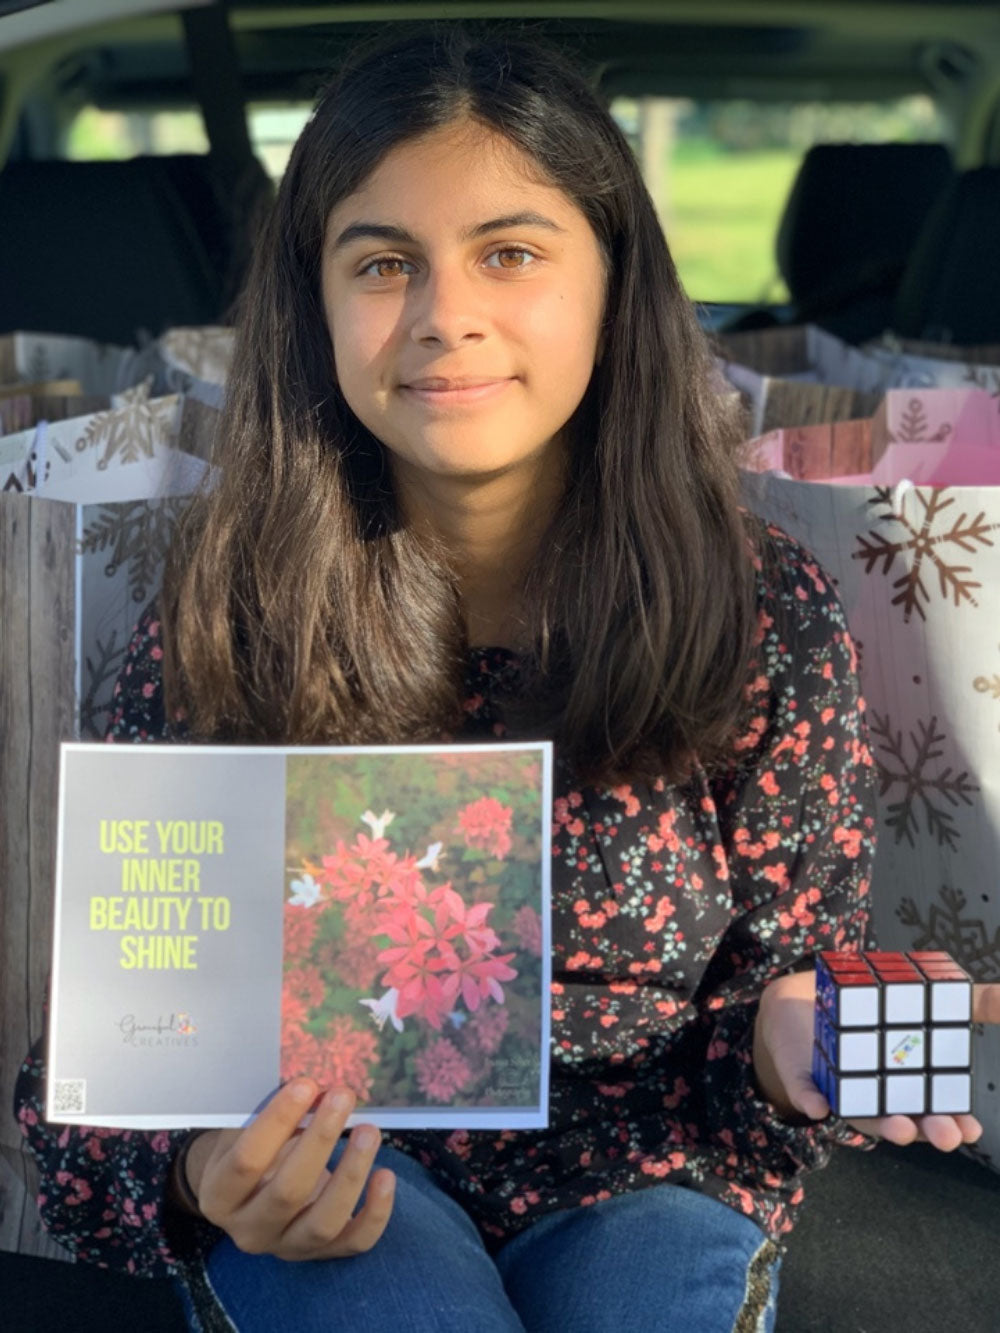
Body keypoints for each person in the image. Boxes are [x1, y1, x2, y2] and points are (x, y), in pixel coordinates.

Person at [15, 25, 999, 1333]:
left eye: (512, 252)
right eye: (381, 263)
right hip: (351, 1163)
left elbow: (777, 1018)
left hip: (655, 1172)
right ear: (313, 300)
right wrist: (200, 1171)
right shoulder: (230, 620)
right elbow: (91, 1083)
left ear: (613, 282)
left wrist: (788, 1043)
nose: (446, 314)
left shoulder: (757, 612)